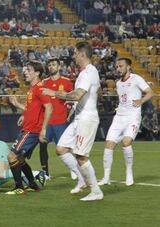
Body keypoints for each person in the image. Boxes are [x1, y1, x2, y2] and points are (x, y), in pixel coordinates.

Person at [42, 41, 104, 201]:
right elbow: (98, 91)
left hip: (86, 119)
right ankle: (82, 179)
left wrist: (54, 93)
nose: (74, 56)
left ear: (82, 54)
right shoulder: (88, 73)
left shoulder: (88, 73)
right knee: (61, 149)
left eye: (76, 53)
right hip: (79, 117)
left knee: (81, 156)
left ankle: (96, 191)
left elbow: (77, 95)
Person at [98, 58, 154, 186]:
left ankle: (129, 172)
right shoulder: (118, 83)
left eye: (121, 66)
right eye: (117, 66)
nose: (118, 69)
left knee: (126, 142)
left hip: (133, 117)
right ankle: (106, 177)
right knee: (108, 144)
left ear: (128, 67)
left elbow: (150, 92)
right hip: (119, 117)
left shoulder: (136, 78)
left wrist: (141, 101)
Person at [7, 61, 53, 195]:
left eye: (29, 70)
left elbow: (49, 107)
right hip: (28, 128)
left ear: (37, 73)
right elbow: (31, 109)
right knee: (20, 160)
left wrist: (44, 129)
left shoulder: (39, 88)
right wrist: (20, 109)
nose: (25, 72)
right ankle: (32, 184)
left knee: (11, 157)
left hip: (32, 130)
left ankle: (19, 187)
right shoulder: (33, 89)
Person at [37, 57, 73, 180]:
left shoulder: (67, 82)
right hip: (46, 122)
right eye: (49, 65)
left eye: (53, 64)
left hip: (60, 121)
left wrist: (69, 110)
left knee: (64, 148)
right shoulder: (43, 83)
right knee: (42, 146)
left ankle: (73, 169)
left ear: (59, 67)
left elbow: (71, 99)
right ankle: (45, 173)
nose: (51, 67)